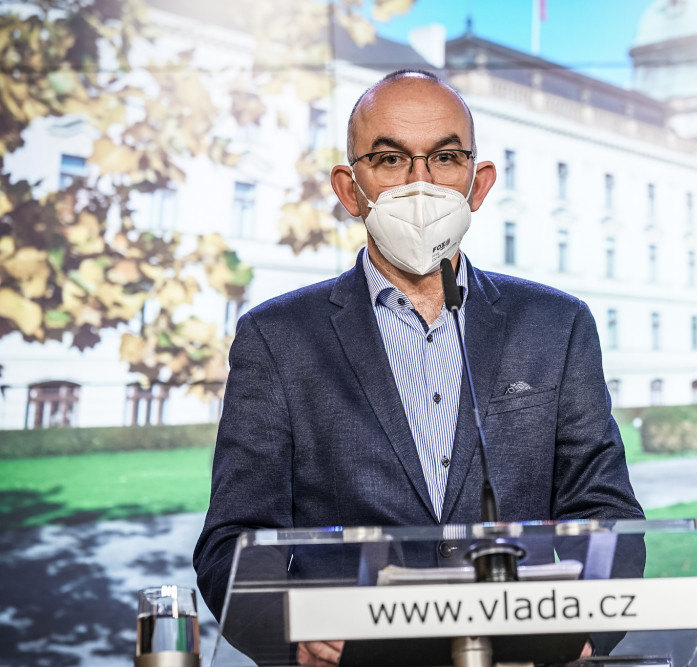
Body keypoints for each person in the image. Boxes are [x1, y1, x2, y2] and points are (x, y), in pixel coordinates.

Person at [193, 69, 644, 667]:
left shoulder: (556, 325)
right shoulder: (278, 338)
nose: (421, 183)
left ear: (478, 183)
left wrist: (588, 629)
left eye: (446, 158)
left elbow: (606, 513)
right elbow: (234, 542)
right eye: (390, 159)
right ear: (350, 190)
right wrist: (294, 634)